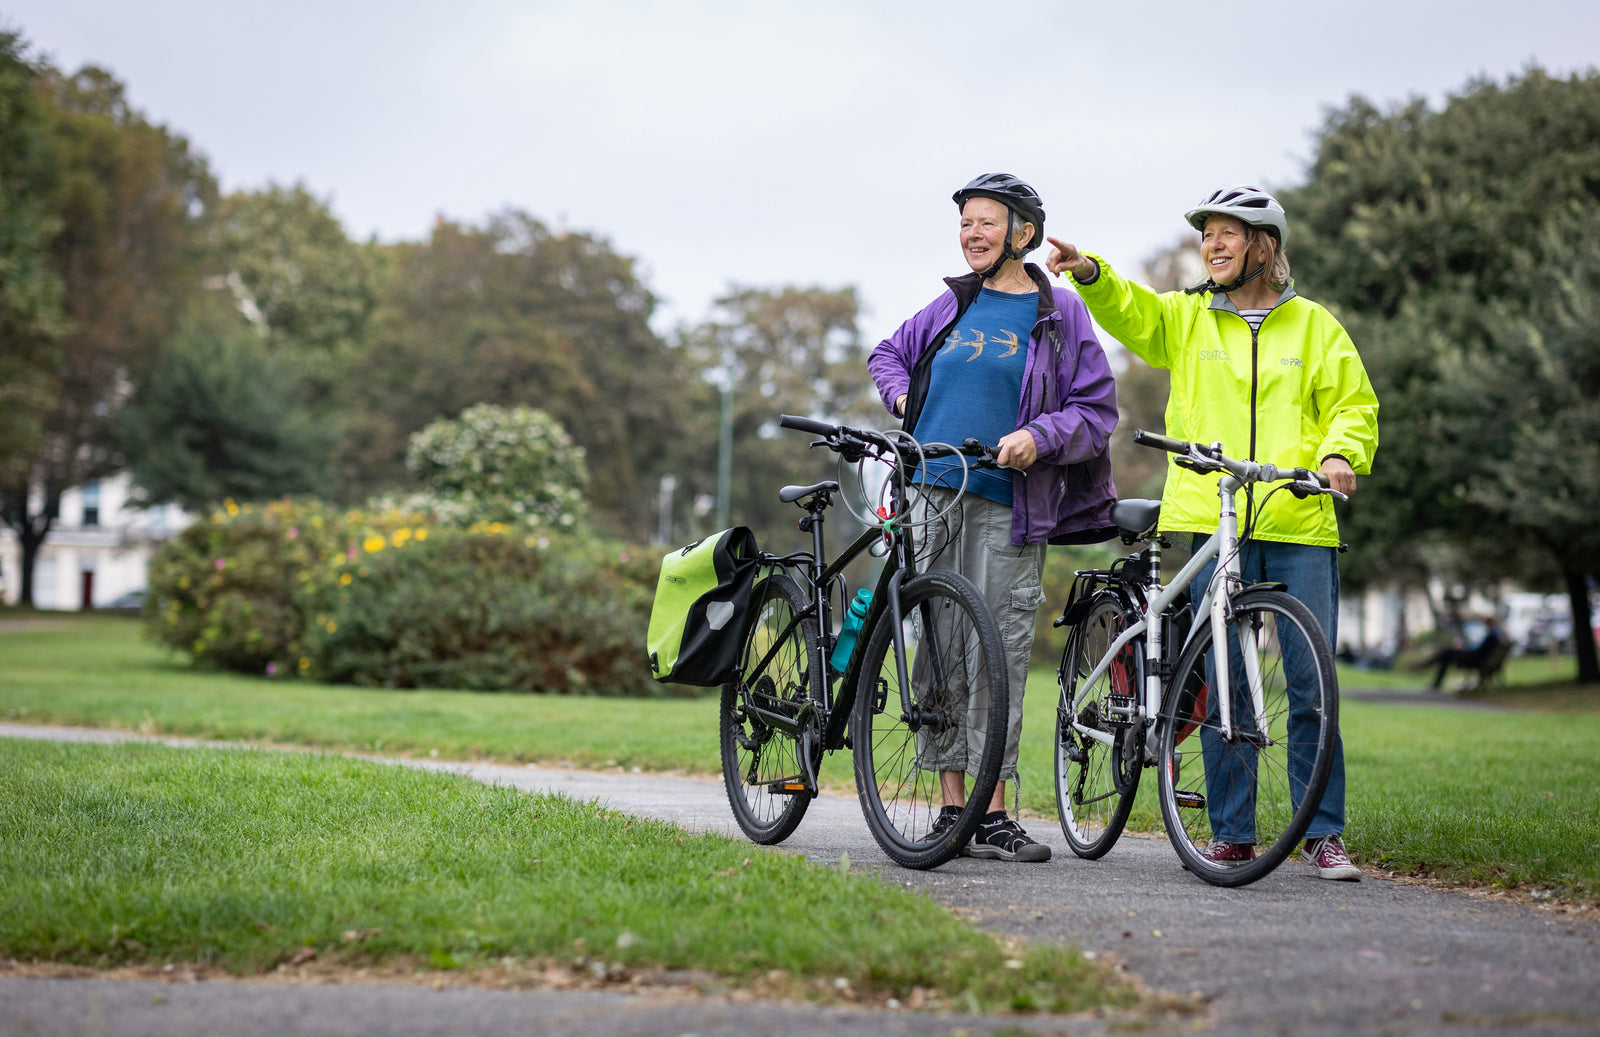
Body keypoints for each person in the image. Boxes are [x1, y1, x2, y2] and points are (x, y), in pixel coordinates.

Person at [1045, 185, 1379, 881]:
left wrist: (1341, 454)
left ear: (1263, 246)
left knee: (1311, 685)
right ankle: (1231, 833)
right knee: (1225, 682)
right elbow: (1136, 313)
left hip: (1297, 518)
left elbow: (1352, 403)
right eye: (1207, 236)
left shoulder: (1315, 327)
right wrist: (1091, 274)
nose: (1213, 246)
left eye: (1228, 235)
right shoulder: (1190, 317)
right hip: (1210, 516)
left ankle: (1324, 833)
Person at [868, 173, 1119, 863]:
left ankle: (994, 810)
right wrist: (900, 398)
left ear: (1023, 234)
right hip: (930, 490)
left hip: (1010, 503)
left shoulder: (1059, 312)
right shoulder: (952, 305)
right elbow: (888, 355)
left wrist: (1039, 436)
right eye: (965, 224)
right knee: (942, 648)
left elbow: (1097, 411)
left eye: (985, 223)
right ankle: (954, 807)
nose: (971, 234)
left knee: (997, 653)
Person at [1427, 615, 1503, 689]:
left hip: (1475, 659)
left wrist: (1463, 649)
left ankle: (1428, 667)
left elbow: (1479, 650)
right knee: (1446, 654)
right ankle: (1429, 666)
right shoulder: (1494, 634)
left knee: (1447, 654)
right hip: (1477, 657)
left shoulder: (1491, 635)